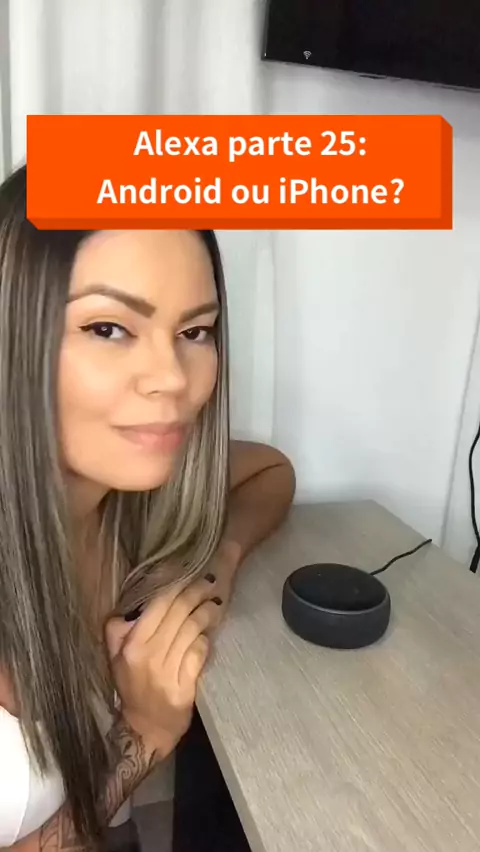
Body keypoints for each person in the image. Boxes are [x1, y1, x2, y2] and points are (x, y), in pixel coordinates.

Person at [0, 165, 296, 852]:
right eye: (108, 328)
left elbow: (270, 473)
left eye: (196, 331)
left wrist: (215, 566)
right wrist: (146, 733)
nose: (172, 378)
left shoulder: (128, 496)